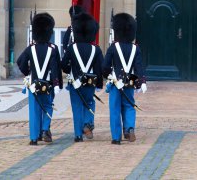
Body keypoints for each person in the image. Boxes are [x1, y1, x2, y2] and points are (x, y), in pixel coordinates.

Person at [103, 13, 147, 145]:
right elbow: (139, 66)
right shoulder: (135, 48)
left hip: (116, 83)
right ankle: (129, 128)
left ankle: (116, 137)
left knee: (115, 109)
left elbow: (105, 67)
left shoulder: (113, 47)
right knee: (129, 106)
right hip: (130, 82)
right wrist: (142, 82)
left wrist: (108, 75)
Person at [17, 12, 61, 146]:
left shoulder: (30, 49)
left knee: (34, 110)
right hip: (47, 84)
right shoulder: (53, 49)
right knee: (48, 106)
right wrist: (57, 84)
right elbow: (55, 68)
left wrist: (27, 73)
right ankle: (45, 129)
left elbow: (20, 62)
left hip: (33, 84)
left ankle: (34, 138)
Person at [61, 12, 104, 142]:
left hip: (75, 83)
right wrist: (99, 84)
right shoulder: (96, 49)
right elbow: (99, 68)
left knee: (76, 107)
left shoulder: (71, 48)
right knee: (90, 102)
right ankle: (87, 124)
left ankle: (78, 135)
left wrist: (70, 71)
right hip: (90, 82)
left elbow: (63, 65)